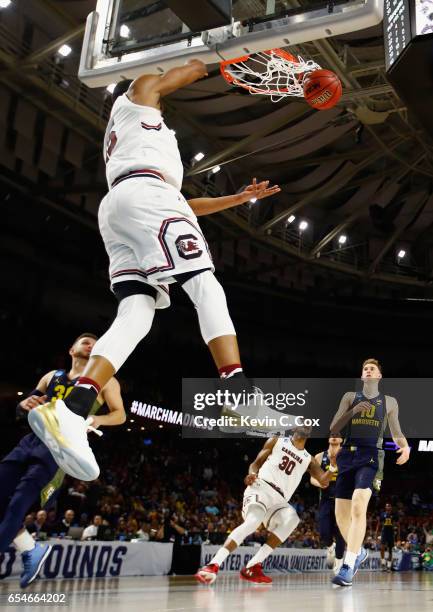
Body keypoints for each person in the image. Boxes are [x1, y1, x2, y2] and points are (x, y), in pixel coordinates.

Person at [28, 59, 281, 481]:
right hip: (144, 197)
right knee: (205, 286)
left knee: (137, 312)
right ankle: (236, 389)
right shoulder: (138, 94)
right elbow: (166, 81)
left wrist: (235, 200)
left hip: (124, 207)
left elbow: (179, 203)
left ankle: (72, 409)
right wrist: (211, 62)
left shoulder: (146, 140)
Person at [0, 333, 125, 588]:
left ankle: (28, 549)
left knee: (16, 507)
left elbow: (120, 414)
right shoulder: (51, 376)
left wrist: (98, 419)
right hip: (29, 442)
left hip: (58, 449)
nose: (91, 345)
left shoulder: (105, 380)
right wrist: (23, 405)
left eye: (95, 343)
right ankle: (30, 549)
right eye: (85, 341)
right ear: (71, 350)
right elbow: (24, 409)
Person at [195, 427, 336, 584]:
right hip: (261, 487)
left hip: (280, 500)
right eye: (302, 422)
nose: (305, 425)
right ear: (295, 426)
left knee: (292, 519)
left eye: (309, 424)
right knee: (253, 522)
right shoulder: (277, 440)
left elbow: (323, 481)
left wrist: (333, 466)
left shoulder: (308, 458)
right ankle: (213, 564)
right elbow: (255, 464)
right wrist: (251, 474)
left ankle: (253, 566)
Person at [330, 358, 410, 586]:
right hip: (347, 455)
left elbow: (396, 432)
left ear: (378, 376)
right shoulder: (349, 397)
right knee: (340, 516)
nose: (367, 370)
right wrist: (353, 411)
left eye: (372, 368)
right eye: (365, 368)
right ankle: (360, 552)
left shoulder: (390, 401)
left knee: (358, 503)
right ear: (362, 375)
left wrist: (405, 447)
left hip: (371, 455)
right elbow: (334, 427)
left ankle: (348, 564)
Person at [310, 436, 345, 574]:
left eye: (338, 434)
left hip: (342, 500)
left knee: (340, 533)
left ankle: (339, 562)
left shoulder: (347, 455)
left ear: (342, 439)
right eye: (332, 434)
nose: (335, 436)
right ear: (329, 438)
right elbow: (312, 477)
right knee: (324, 532)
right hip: (325, 499)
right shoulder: (319, 456)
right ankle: (330, 546)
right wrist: (319, 483)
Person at [375, 502, 400, 571]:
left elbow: (398, 526)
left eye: (389, 506)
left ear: (391, 507)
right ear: (385, 508)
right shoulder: (382, 514)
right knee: (382, 547)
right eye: (387, 506)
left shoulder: (394, 515)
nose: (388, 507)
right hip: (384, 533)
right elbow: (378, 524)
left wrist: (398, 536)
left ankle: (389, 566)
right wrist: (376, 534)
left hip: (391, 533)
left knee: (390, 550)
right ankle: (383, 562)